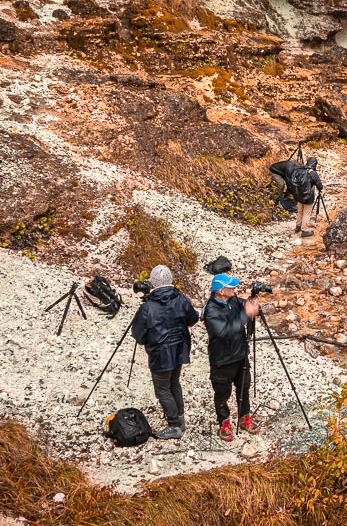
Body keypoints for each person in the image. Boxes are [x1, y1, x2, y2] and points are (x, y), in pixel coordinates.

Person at [130, 265, 199, 440]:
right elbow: (193, 318)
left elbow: (137, 334)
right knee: (174, 383)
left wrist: (148, 340)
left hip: (160, 353)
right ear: (170, 280)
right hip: (180, 348)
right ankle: (179, 418)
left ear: (152, 282)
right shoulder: (181, 299)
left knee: (162, 389)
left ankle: (174, 424)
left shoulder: (148, 307)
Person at [202, 273, 259, 441]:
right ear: (220, 291)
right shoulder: (211, 311)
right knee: (222, 392)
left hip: (240, 354)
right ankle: (224, 421)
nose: (234, 288)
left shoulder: (232, 300)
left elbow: (244, 305)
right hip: (222, 360)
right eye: (230, 287)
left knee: (244, 387)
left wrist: (251, 304)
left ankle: (244, 417)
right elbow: (224, 332)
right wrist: (245, 314)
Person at [268, 156, 324, 238]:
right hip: (308, 196)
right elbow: (320, 185)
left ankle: (298, 227)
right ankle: (304, 230)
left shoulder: (300, 169)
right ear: (315, 164)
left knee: (300, 211)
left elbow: (293, 181)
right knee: (307, 213)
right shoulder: (312, 173)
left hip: (299, 195)